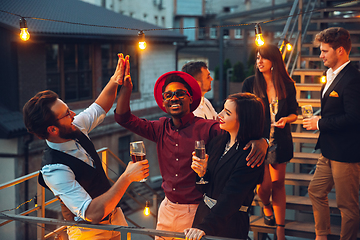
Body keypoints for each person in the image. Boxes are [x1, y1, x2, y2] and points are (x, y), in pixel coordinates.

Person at [114, 66, 269, 239]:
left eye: (180, 93)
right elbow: (123, 118)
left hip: (195, 211)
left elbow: (240, 129)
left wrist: (263, 141)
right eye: (168, 95)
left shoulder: (208, 128)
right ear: (163, 102)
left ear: (190, 98)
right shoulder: (160, 128)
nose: (174, 98)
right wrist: (125, 88)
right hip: (166, 208)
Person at [22, 54, 149, 240]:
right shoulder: (54, 169)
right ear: (52, 129)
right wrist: (127, 177)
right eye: (66, 114)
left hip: (115, 218)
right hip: (88, 233)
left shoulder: (73, 127)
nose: (73, 114)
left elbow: (100, 107)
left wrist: (115, 79)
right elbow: (91, 213)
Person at [303, 27, 360, 240]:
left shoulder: (353, 79)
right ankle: (322, 235)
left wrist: (320, 123)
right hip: (327, 151)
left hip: (346, 153)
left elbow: (354, 118)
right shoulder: (329, 75)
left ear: (341, 51)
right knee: (315, 191)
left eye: (325, 51)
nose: (321, 55)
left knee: (347, 205)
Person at [184, 93, 265, 240]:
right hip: (203, 216)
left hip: (228, 224)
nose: (219, 114)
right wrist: (202, 173)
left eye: (227, 113)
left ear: (244, 120)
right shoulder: (218, 142)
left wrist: (205, 227)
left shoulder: (250, 154)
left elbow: (232, 198)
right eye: (222, 109)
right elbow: (204, 189)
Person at [242, 44, 298, 240]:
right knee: (264, 185)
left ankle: (280, 229)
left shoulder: (287, 84)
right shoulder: (250, 84)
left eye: (263, 58)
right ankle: (266, 205)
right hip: (258, 140)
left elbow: (294, 112)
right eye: (257, 58)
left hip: (280, 139)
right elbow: (243, 112)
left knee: (279, 183)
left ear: (274, 61)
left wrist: (287, 119)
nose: (259, 61)